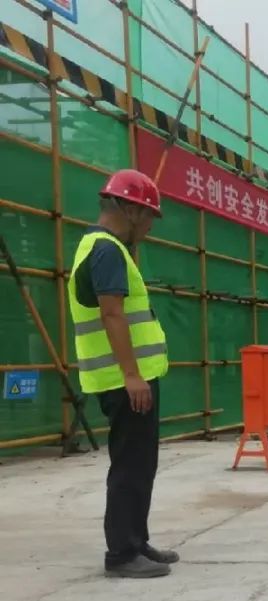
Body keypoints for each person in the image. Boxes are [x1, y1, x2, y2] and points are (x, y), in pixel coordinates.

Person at [68, 169, 174, 578]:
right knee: (130, 463)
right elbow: (112, 314)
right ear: (130, 209)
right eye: (148, 217)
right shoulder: (106, 250)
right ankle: (123, 554)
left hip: (127, 377)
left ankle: (137, 541)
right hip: (123, 380)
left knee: (141, 461)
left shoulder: (103, 247)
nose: (148, 226)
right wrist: (132, 376)